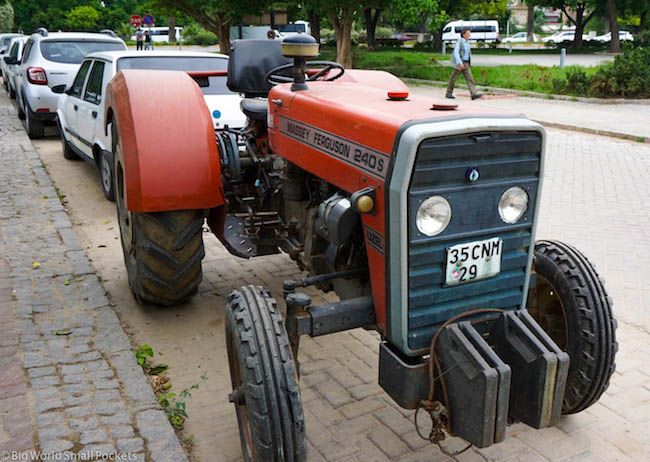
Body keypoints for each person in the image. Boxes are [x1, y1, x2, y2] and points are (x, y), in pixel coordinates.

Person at [446, 28, 482, 100]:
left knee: (470, 78)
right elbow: (456, 53)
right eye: (468, 34)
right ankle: (449, 93)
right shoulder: (459, 42)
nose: (469, 35)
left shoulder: (467, 42)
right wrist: (459, 63)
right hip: (459, 63)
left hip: (466, 63)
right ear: (463, 34)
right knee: (453, 78)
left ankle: (473, 93)